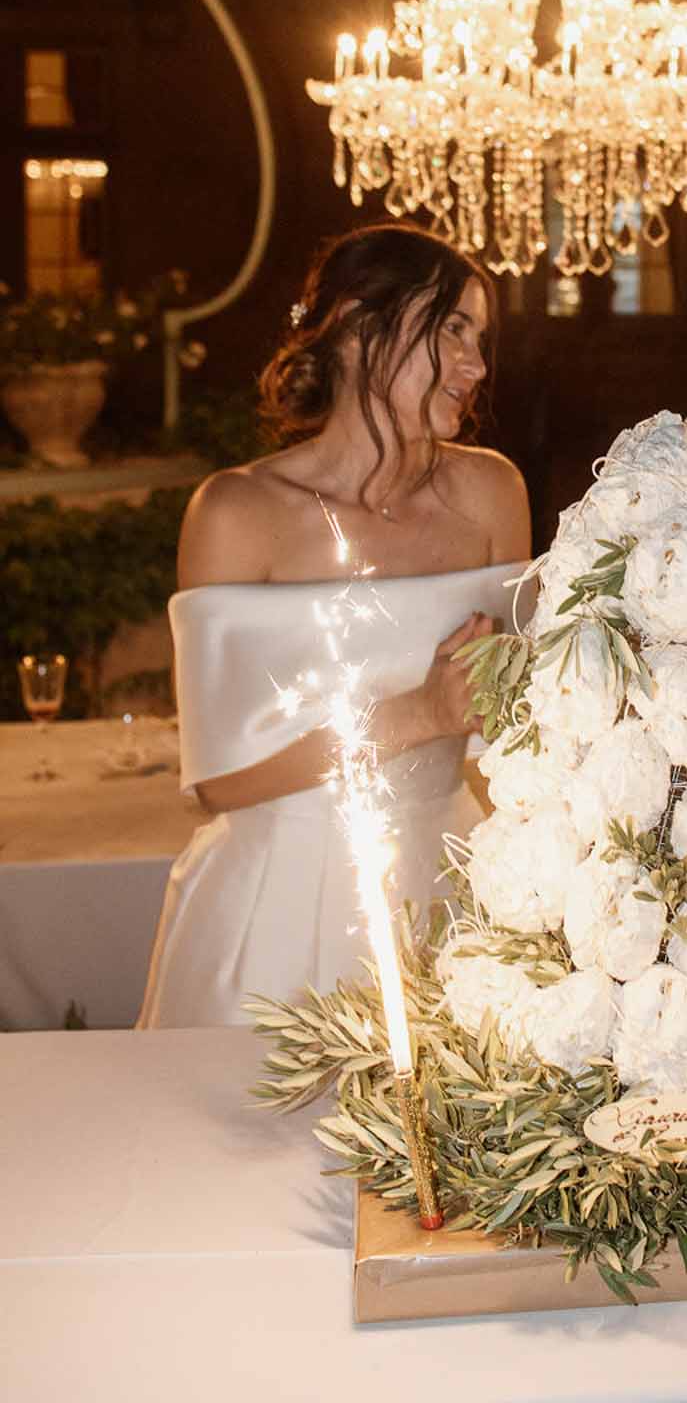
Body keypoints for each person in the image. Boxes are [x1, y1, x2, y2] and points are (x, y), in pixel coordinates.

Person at [138, 223, 530, 1028]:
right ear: (357, 324)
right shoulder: (237, 513)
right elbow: (218, 779)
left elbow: (509, 740)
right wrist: (418, 714)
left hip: (447, 884)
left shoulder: (493, 494)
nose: (476, 366)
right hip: (277, 899)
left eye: (480, 339)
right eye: (452, 329)